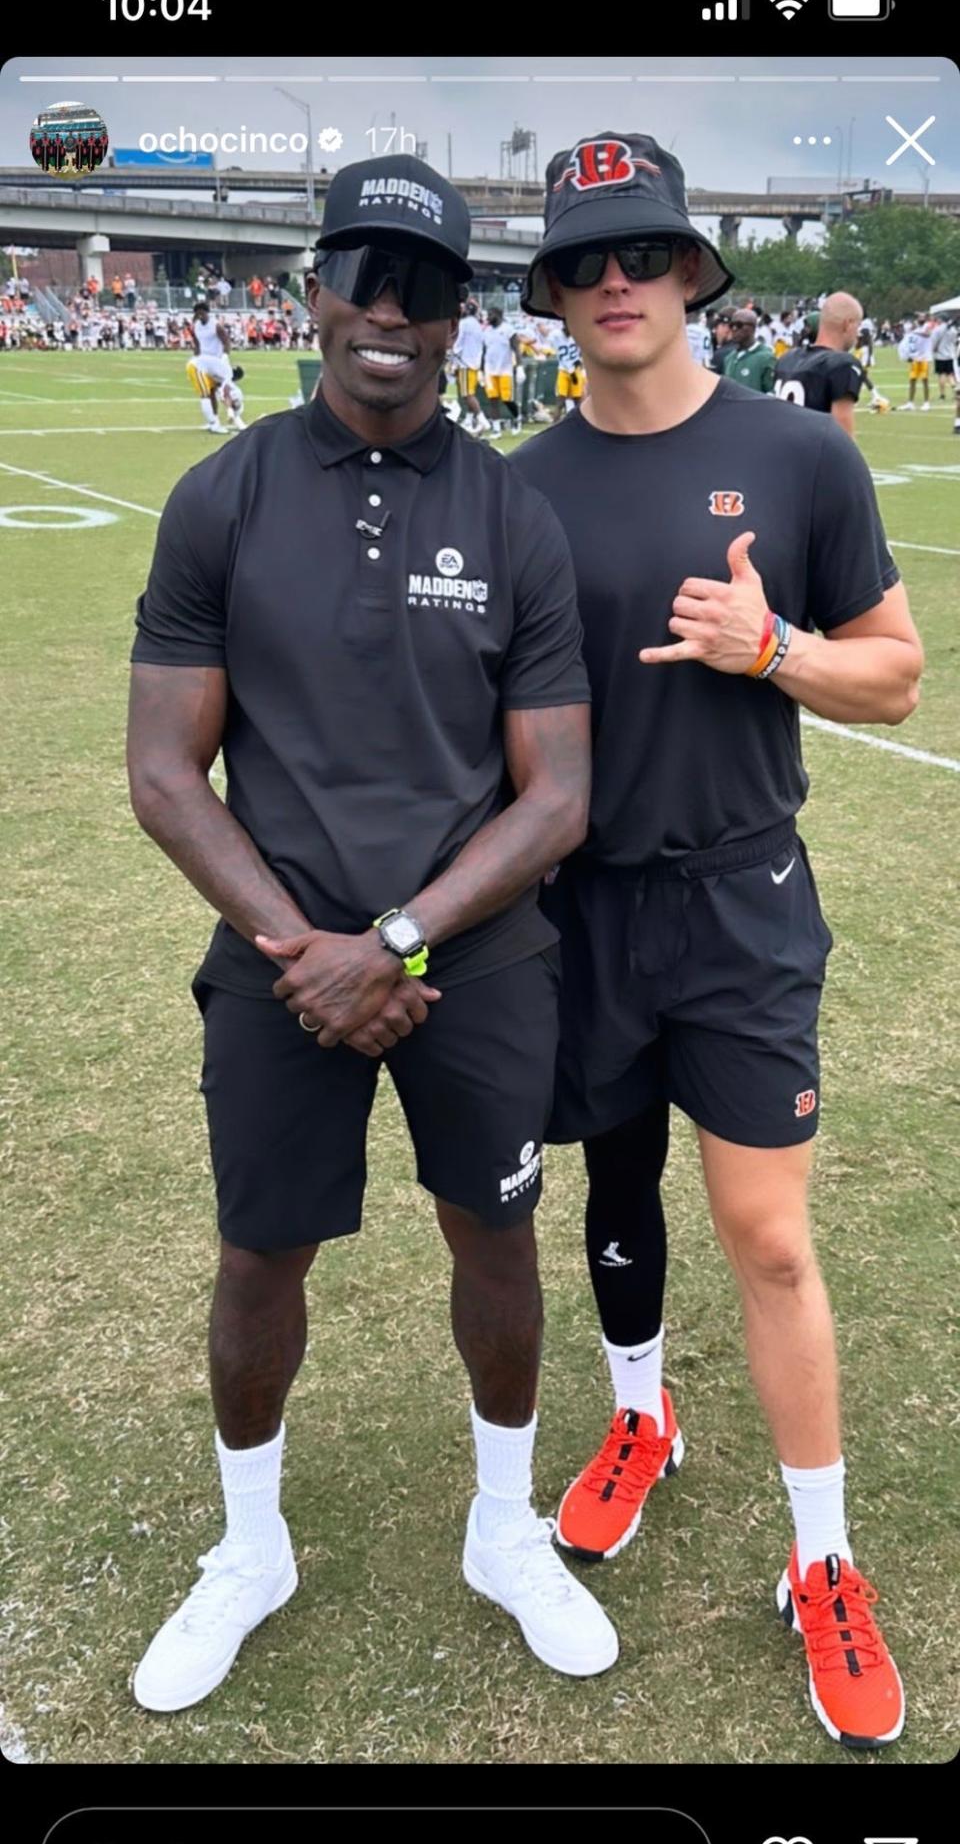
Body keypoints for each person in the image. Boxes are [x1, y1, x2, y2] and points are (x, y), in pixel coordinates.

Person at [126, 151, 617, 1715]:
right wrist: (309, 948)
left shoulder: (515, 514)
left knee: (497, 1236)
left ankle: (501, 1525)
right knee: (261, 1253)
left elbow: (555, 799)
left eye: (425, 289)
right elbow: (162, 772)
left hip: (471, 960)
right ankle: (251, 1545)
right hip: (280, 962)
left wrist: (394, 939)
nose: (389, 313)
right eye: (365, 278)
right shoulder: (226, 493)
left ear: (461, 319)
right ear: (314, 291)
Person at [513, 127, 923, 1750]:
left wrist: (774, 649)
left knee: (765, 1231)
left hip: (742, 898)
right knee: (609, 1186)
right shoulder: (521, 487)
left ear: (690, 270)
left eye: (642, 252)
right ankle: (639, 1416)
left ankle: (821, 1556)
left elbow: (895, 673)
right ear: (553, 293)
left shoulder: (800, 456)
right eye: (583, 260)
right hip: (579, 910)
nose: (615, 280)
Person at [773, 291, 868, 438]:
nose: (858, 333)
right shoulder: (842, 364)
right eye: (858, 325)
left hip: (782, 451)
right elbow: (842, 439)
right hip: (812, 456)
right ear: (847, 324)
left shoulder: (787, 358)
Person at [453, 295, 492, 434]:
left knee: (467, 394)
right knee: (471, 392)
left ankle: (482, 420)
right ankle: (469, 420)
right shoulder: (477, 324)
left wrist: (452, 353)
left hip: (464, 362)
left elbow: (458, 342)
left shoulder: (464, 324)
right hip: (475, 362)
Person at [482, 305, 522, 431]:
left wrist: (520, 367)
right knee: (493, 399)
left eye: (490, 315)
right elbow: (484, 351)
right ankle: (496, 428)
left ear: (498, 315)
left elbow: (516, 349)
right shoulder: (486, 332)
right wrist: (481, 370)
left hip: (505, 369)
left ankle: (517, 418)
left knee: (507, 399)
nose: (488, 318)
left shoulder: (508, 330)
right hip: (490, 370)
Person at [723, 308, 776, 392]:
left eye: (739, 325)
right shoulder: (729, 358)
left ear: (753, 328)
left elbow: (771, 393)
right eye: (731, 325)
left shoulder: (766, 357)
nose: (734, 329)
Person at [899, 315, 932, 410]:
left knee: (925, 380)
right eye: (919, 318)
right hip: (915, 358)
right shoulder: (914, 330)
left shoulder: (927, 326)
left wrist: (915, 332)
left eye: (922, 318)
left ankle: (926, 402)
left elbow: (927, 334)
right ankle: (910, 402)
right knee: (912, 380)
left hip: (924, 358)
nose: (920, 319)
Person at [930, 314, 959, 402]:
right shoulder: (953, 330)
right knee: (950, 375)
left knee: (941, 375)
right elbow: (954, 341)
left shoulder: (938, 329)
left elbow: (933, 342)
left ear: (940, 320)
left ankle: (942, 395)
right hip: (950, 355)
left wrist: (933, 350)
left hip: (940, 356)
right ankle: (956, 390)